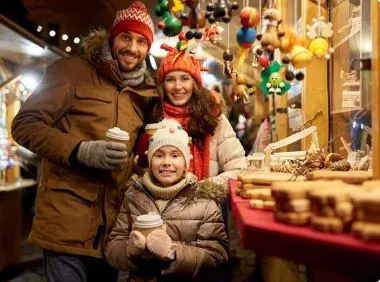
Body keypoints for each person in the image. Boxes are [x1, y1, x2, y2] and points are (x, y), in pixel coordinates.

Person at [11, 2, 157, 281]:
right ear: (112, 38)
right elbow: (24, 125)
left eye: (141, 41)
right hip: (66, 222)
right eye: (126, 37)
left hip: (112, 230)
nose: (132, 48)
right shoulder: (69, 71)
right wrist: (80, 150)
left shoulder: (145, 94)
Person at [105, 119, 228, 281]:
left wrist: (173, 252)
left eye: (175, 155)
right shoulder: (134, 196)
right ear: (150, 160)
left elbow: (216, 256)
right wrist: (131, 251)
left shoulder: (204, 202)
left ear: (186, 162)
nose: (166, 163)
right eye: (159, 155)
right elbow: (113, 246)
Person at [147, 40, 247, 188]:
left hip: (204, 206)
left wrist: (203, 190)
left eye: (185, 78)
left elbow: (239, 167)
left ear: (195, 83)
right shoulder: (153, 114)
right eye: (170, 80)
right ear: (162, 85)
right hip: (159, 207)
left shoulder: (212, 116)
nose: (178, 86)